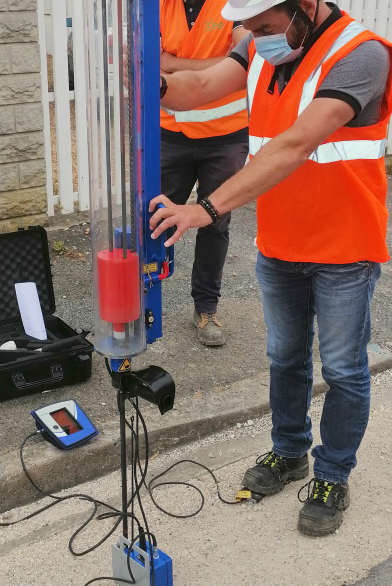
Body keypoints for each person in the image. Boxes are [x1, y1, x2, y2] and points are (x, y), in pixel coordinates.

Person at [151, 0, 392, 536]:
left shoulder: (360, 55)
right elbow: (196, 90)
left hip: (345, 247)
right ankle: (290, 452)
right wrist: (140, 79)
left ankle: (333, 473)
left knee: (341, 369)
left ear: (304, 7)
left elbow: (294, 145)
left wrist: (207, 207)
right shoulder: (261, 45)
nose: (254, 37)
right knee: (285, 358)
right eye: (248, 29)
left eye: (264, 27)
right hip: (282, 242)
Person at [159, 0, 249, 346]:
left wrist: (175, 64)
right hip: (170, 132)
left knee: (215, 220)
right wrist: (219, 64)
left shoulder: (233, 5)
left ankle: (206, 308)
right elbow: (152, 62)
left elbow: (244, 54)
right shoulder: (159, 7)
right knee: (157, 217)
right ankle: (138, 302)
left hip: (225, 137)